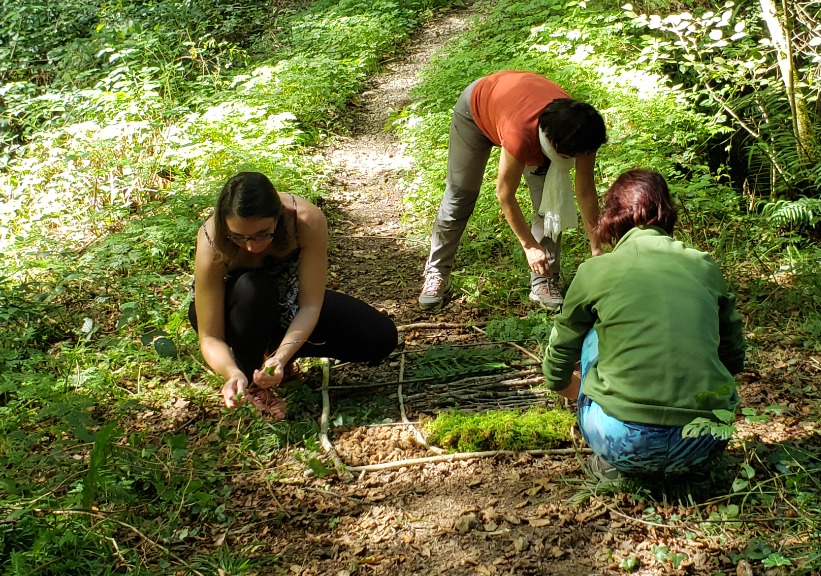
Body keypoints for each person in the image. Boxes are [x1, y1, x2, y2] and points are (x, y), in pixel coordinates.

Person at [541, 169, 745, 481]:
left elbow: (558, 359)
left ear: (612, 216)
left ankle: (613, 463)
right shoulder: (703, 265)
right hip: (705, 439)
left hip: (621, 440)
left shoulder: (596, 271)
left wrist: (571, 387)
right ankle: (689, 466)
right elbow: (733, 356)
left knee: (593, 331)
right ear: (666, 212)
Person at [190, 172, 398, 419]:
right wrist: (232, 373)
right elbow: (210, 336)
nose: (251, 246)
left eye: (262, 234)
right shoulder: (211, 238)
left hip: (286, 305)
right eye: (238, 237)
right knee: (253, 287)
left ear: (278, 218)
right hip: (234, 313)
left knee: (379, 336)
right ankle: (251, 379)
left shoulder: (305, 220)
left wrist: (282, 356)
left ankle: (273, 358)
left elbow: (310, 305)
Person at [419, 70, 608, 310]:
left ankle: (544, 280)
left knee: (549, 205)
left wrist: (597, 247)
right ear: (553, 145)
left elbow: (586, 191)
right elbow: (505, 194)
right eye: (570, 157)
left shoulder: (583, 131)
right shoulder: (521, 134)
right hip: (476, 111)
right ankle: (437, 272)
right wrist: (529, 246)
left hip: (517, 109)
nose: (577, 160)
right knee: (460, 196)